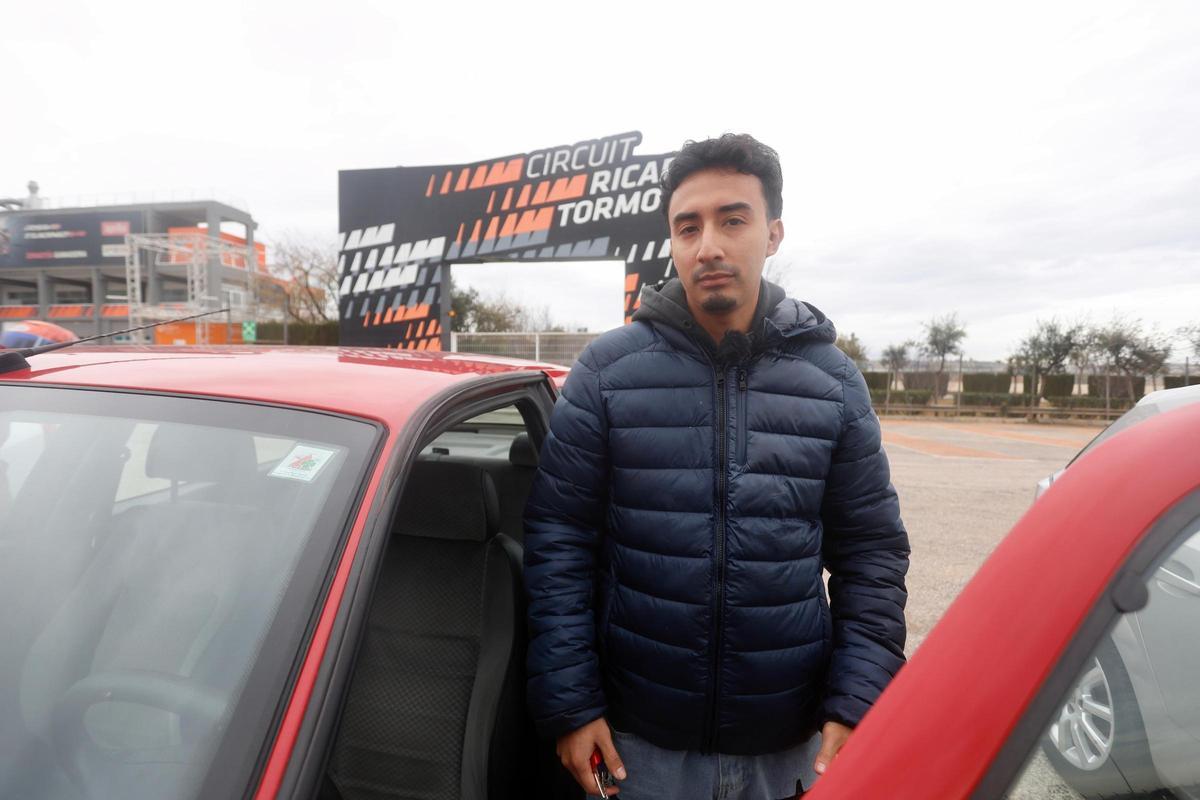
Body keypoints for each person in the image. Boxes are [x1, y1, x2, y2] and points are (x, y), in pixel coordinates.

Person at [523, 133, 910, 799]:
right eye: (688, 226)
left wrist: (857, 702)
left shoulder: (831, 382)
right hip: (638, 744)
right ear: (671, 242)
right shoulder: (608, 373)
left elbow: (871, 553)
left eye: (733, 220)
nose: (709, 245)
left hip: (788, 745)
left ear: (773, 233)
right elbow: (559, 541)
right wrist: (572, 704)